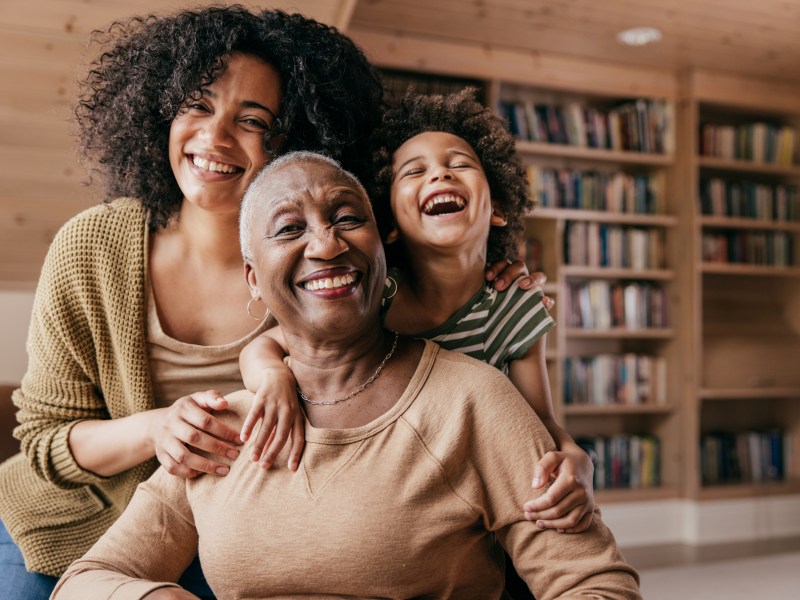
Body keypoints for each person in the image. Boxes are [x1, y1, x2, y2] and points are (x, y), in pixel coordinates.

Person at [52, 151, 641, 600]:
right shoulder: (220, 427)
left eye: (346, 218)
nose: (326, 244)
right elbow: (88, 579)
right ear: (255, 280)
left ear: (383, 251)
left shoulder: (473, 399)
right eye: (289, 228)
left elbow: (596, 584)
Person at [0, 6, 385, 599]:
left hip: (229, 529)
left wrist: (495, 269)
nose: (214, 138)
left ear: (296, 139)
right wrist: (157, 429)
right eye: (197, 105)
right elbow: (48, 440)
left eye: (252, 120)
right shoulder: (91, 248)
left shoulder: (328, 262)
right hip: (66, 522)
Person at [239, 89, 594, 534]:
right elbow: (265, 346)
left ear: (498, 207)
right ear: (387, 225)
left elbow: (538, 422)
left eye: (460, 163)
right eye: (415, 171)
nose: (441, 174)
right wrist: (273, 377)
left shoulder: (515, 306)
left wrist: (578, 459)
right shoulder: (372, 296)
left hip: (471, 496)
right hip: (378, 489)